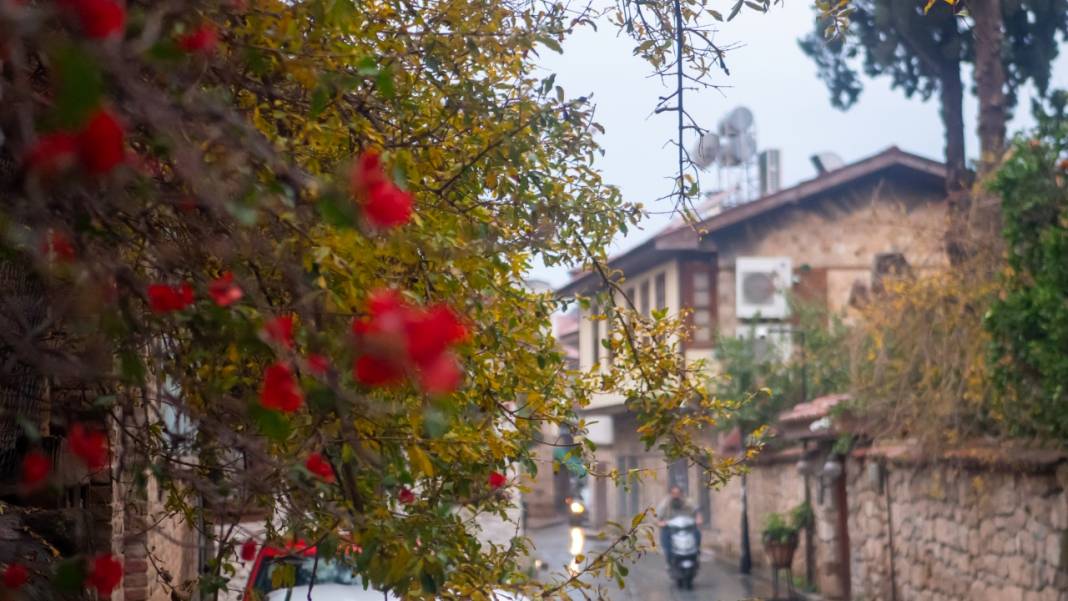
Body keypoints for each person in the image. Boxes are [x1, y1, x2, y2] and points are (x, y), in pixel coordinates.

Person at [656, 484, 702, 563]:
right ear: (670, 494)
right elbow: (657, 518)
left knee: (696, 532)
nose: (676, 495)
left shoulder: (688, 502)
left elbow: (696, 511)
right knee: (665, 538)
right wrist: (661, 523)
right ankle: (669, 559)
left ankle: (696, 550)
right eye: (673, 493)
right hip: (671, 529)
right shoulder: (665, 504)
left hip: (687, 528)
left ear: (681, 494)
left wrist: (698, 519)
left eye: (678, 493)